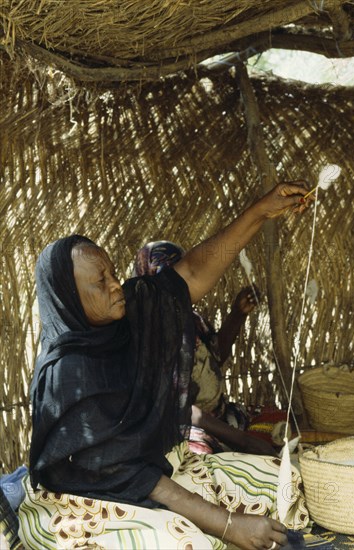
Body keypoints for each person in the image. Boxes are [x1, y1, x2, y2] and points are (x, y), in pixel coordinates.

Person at [19, 182, 311, 550]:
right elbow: (123, 473)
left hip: (158, 471)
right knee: (188, 542)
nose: (116, 286)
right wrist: (227, 524)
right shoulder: (67, 374)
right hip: (93, 496)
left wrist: (260, 211)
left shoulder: (131, 318)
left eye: (112, 273)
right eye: (100, 282)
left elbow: (188, 275)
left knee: (280, 480)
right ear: (69, 300)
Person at [133, 241, 277, 456]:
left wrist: (238, 314)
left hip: (218, 416)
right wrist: (243, 440)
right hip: (180, 422)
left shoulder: (192, 319)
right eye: (168, 280)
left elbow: (215, 358)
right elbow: (177, 407)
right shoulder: (146, 334)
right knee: (197, 454)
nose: (176, 287)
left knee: (279, 422)